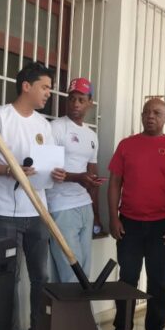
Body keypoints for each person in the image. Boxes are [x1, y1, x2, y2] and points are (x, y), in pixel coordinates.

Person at [0, 62, 66, 330]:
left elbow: (47, 165)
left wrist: (57, 174)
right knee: (9, 278)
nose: (48, 93)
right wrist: (8, 170)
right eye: (45, 87)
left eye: (49, 88)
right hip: (4, 212)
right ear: (27, 86)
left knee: (41, 275)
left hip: (37, 209)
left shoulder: (44, 125)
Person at [107, 98, 165, 330]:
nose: (150, 116)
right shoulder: (126, 145)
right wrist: (113, 217)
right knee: (127, 278)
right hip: (129, 223)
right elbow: (114, 183)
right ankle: (122, 328)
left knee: (158, 281)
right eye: (147, 112)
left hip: (162, 225)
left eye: (157, 113)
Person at [46, 77, 103, 282]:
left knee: (84, 269)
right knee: (70, 272)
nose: (76, 104)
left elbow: (92, 176)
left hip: (85, 206)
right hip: (61, 206)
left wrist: (96, 216)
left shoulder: (91, 135)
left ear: (90, 103)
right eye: (72, 99)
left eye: (81, 99)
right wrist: (78, 178)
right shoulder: (56, 128)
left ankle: (77, 314)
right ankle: (71, 315)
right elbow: (47, 170)